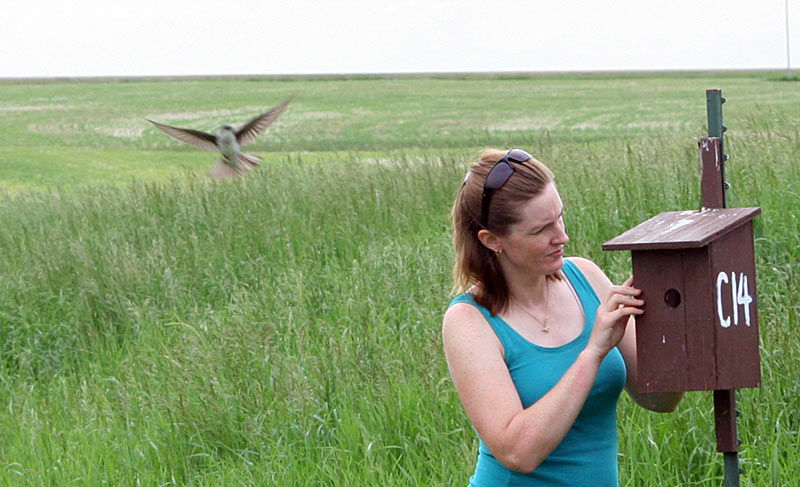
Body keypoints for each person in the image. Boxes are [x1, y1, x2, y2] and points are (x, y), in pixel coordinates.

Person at [442, 148, 684, 486]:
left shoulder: (586, 278)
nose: (562, 236)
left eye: (560, 217)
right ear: (493, 240)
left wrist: (680, 326)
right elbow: (518, 453)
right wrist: (593, 352)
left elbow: (658, 399)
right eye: (541, 229)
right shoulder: (470, 322)